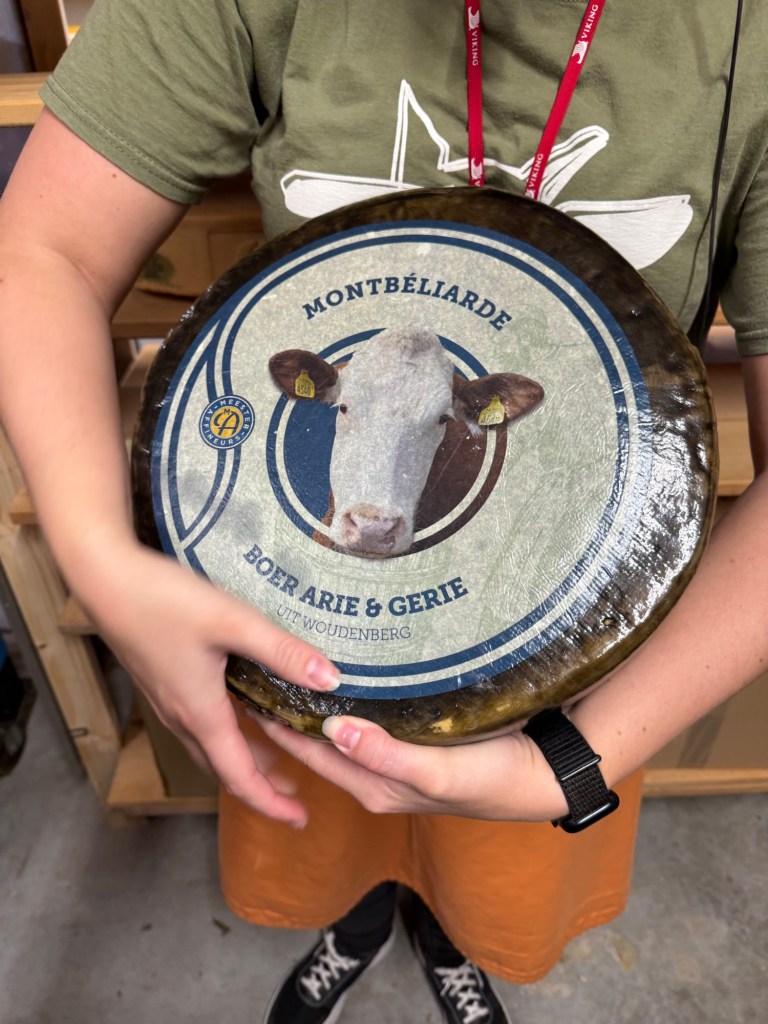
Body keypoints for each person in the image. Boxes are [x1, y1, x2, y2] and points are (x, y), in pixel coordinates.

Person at [1, 2, 766, 1022]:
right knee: (331, 830)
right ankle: (358, 922)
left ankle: (451, 938)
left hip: (569, 680)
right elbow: (40, 249)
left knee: (487, 869)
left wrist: (564, 771)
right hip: (311, 637)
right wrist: (99, 557)